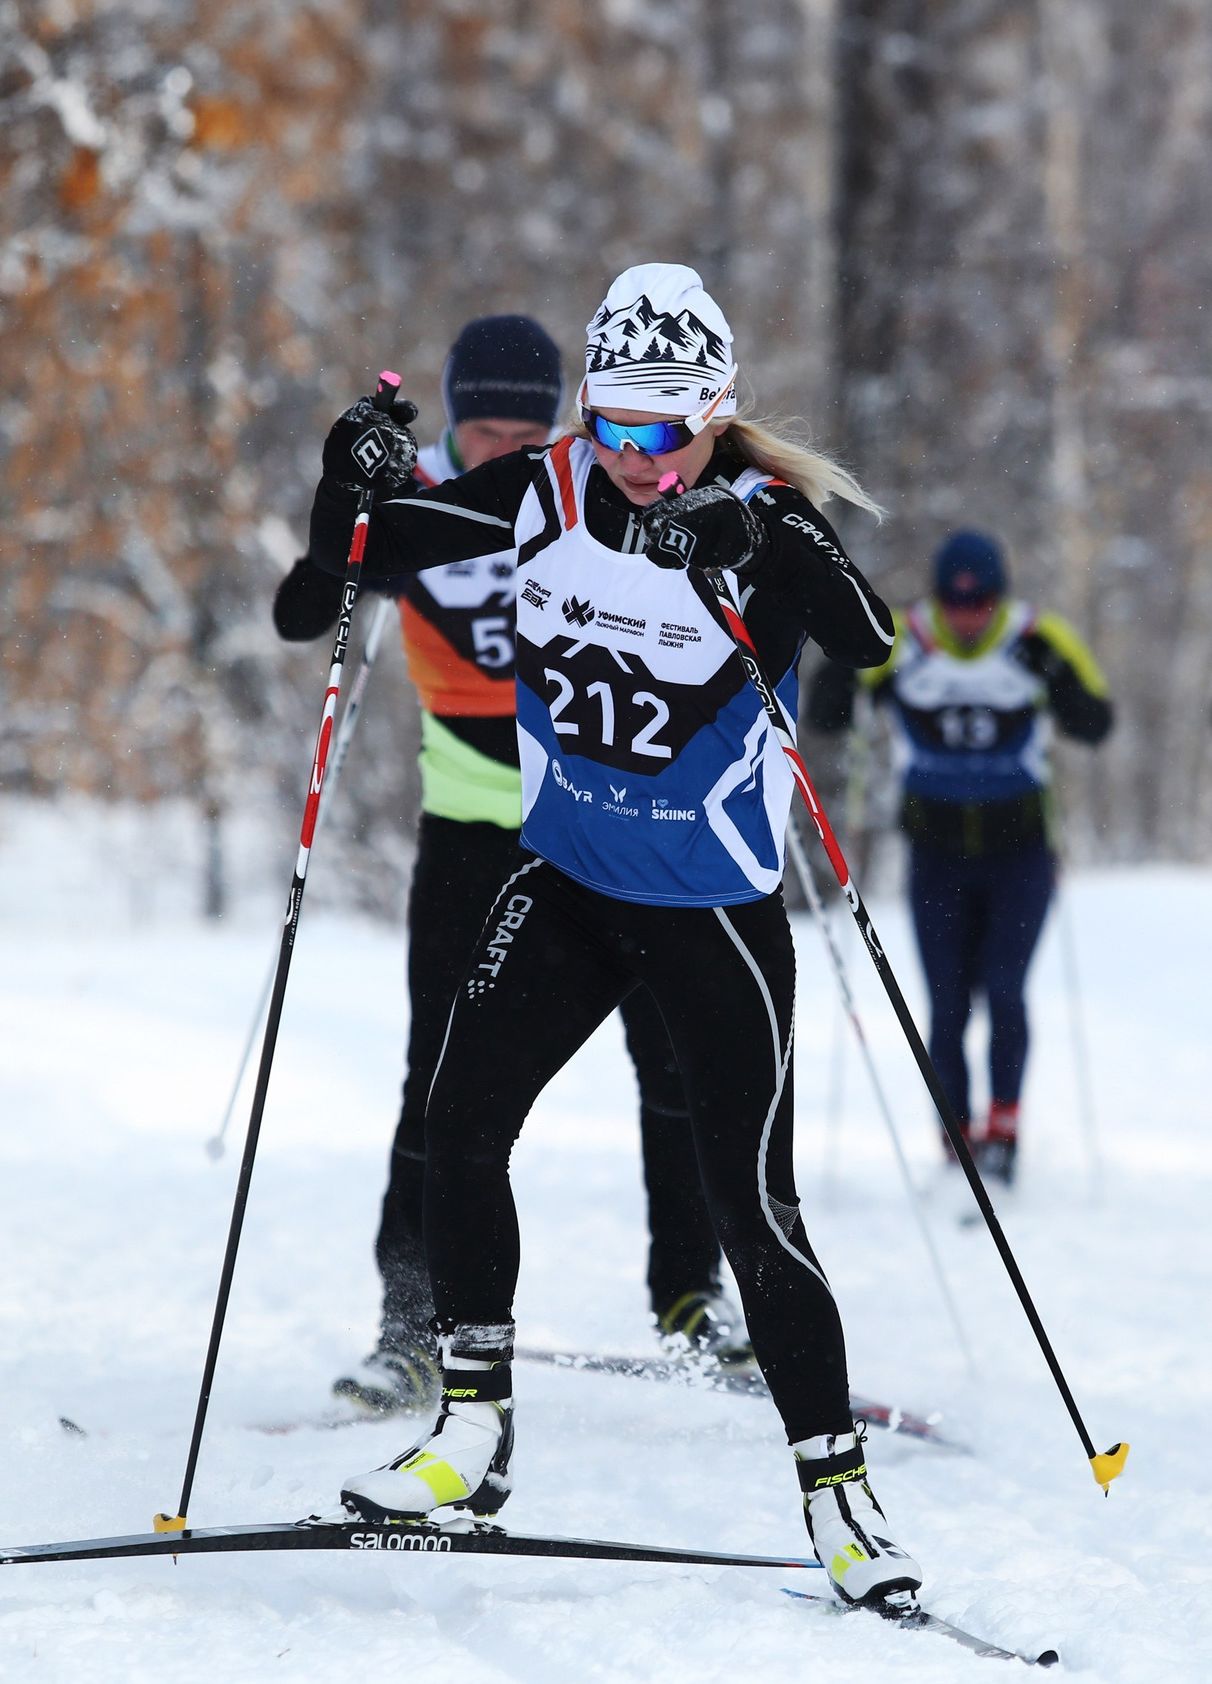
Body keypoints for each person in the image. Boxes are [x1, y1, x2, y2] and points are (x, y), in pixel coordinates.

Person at [301, 263, 924, 1608]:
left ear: (717, 417)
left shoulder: (757, 513)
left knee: (751, 1203)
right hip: (567, 881)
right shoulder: (543, 489)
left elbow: (870, 642)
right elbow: (358, 559)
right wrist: (348, 470)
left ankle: (840, 1496)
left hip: (710, 915)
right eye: (617, 425)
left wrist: (768, 545)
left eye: (668, 432)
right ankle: (474, 1431)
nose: (639, 460)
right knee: (457, 1124)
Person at [273, 315, 745, 1418]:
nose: (504, 453)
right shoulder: (436, 495)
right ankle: (410, 1328)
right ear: (449, 417)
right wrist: (345, 488)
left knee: (676, 1062)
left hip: (607, 818)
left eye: (526, 431)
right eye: (483, 429)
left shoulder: (587, 485)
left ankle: (689, 1298)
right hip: (472, 822)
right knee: (437, 1080)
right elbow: (307, 607)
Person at [810, 530, 1112, 1184]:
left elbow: (1096, 724)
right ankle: (956, 1135)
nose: (968, 617)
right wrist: (846, 671)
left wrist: (1055, 677)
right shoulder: (900, 636)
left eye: (980, 604)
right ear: (938, 598)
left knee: (1005, 990)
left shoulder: (1037, 636)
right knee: (947, 1004)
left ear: (999, 599)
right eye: (954, 603)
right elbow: (826, 717)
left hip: (1020, 854)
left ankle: (1004, 1128)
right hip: (936, 853)